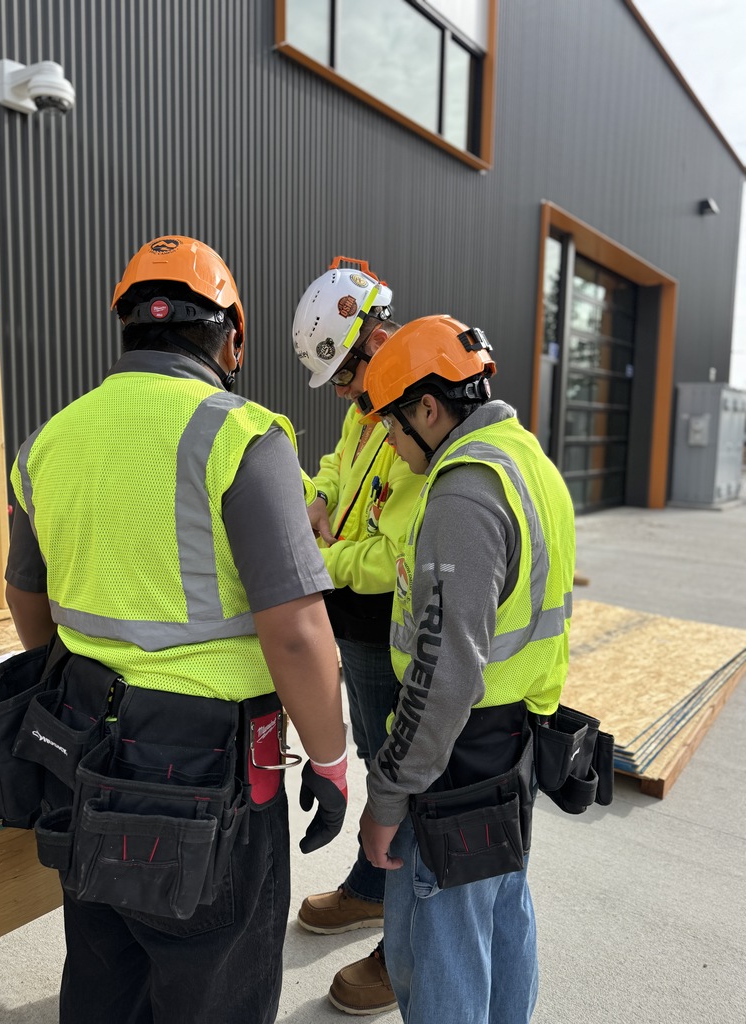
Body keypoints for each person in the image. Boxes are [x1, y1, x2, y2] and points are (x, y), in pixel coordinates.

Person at [4, 235, 348, 1024]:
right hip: (206, 766)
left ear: (125, 329)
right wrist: (329, 760)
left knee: (102, 962)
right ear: (233, 337)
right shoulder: (243, 436)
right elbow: (296, 633)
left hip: (81, 740)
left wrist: (86, 678)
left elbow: (26, 595)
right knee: (214, 984)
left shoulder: (50, 438)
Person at [357, 314, 576, 1024]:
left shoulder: (463, 492)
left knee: (441, 949)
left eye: (392, 425)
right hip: (512, 747)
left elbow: (443, 674)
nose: (389, 445)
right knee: (502, 921)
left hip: (456, 763)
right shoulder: (529, 463)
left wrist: (387, 796)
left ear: (428, 407)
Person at [291, 258, 425, 1014]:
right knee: (381, 763)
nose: (345, 394)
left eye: (345, 376)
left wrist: (323, 558)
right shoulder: (368, 406)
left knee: (401, 779)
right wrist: (313, 500)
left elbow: (396, 553)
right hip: (356, 624)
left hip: (391, 625)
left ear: (373, 338)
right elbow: (340, 472)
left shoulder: (418, 407)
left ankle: (395, 943)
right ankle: (372, 889)